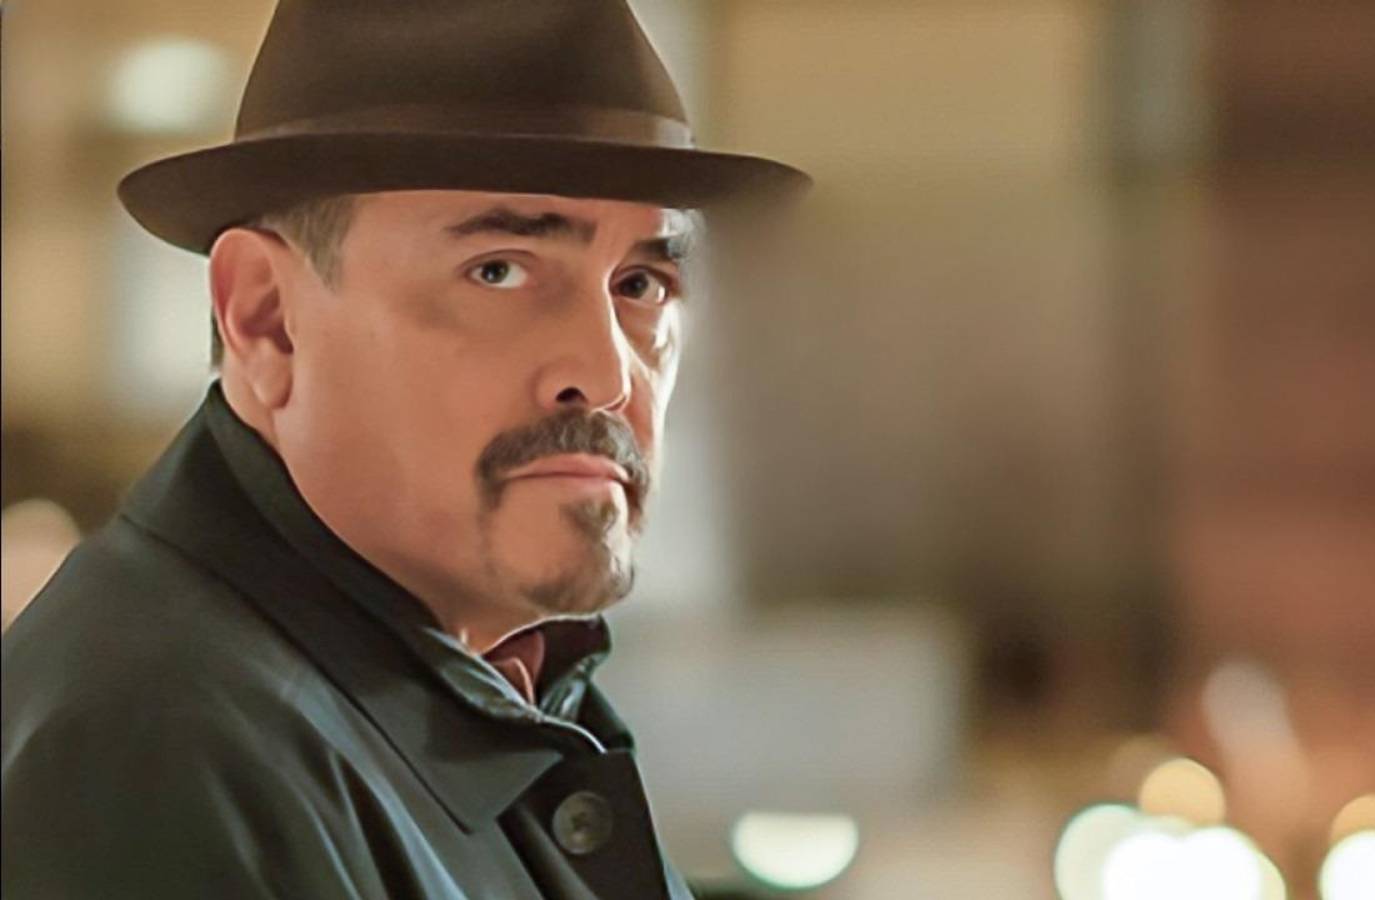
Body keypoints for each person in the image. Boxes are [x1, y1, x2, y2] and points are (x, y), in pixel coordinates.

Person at [0, 1, 806, 897]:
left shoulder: (484, 690)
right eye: (499, 270)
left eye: (641, 284)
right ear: (267, 318)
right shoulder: (157, 756)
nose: (606, 373)